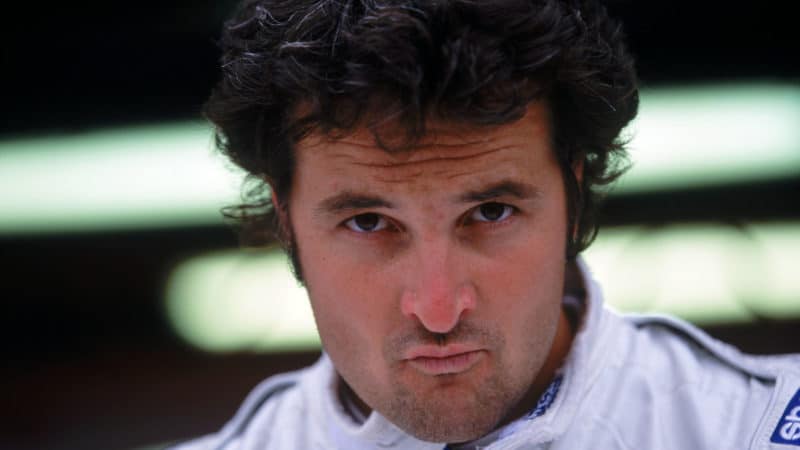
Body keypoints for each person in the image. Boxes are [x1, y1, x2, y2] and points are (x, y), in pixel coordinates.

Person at [173, 0, 800, 448]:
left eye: (490, 212)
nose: (440, 311)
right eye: (368, 221)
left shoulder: (755, 427)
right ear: (285, 220)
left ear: (573, 195)